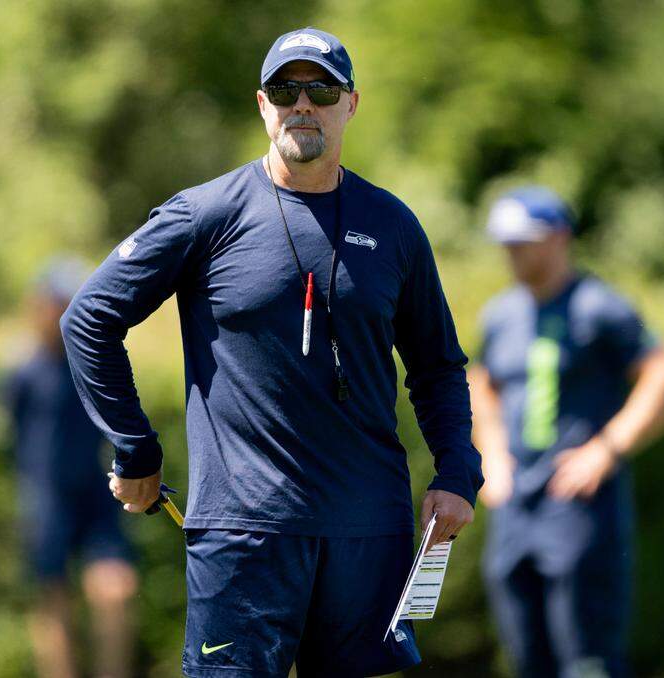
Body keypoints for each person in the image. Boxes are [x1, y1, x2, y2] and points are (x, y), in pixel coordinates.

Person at [60, 27, 483, 678]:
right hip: (243, 531)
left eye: (321, 89)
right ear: (263, 104)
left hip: (369, 530)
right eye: (287, 89)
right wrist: (136, 448)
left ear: (351, 104)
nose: (303, 104)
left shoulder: (393, 225)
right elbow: (89, 319)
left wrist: (457, 472)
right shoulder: (206, 214)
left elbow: (437, 366)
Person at [469, 187, 664, 678]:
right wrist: (491, 455)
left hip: (579, 511)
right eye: (505, 242)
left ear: (559, 238)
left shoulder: (599, 307)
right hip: (515, 511)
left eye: (523, 241)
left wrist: (607, 449)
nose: (512, 252)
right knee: (526, 659)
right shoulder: (500, 315)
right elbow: (481, 383)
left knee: (587, 663)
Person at [0, 258, 138, 678]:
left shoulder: (93, 361)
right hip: (45, 497)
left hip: (95, 493)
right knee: (53, 603)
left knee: (114, 590)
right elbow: (13, 435)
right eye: (57, 302)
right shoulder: (22, 369)